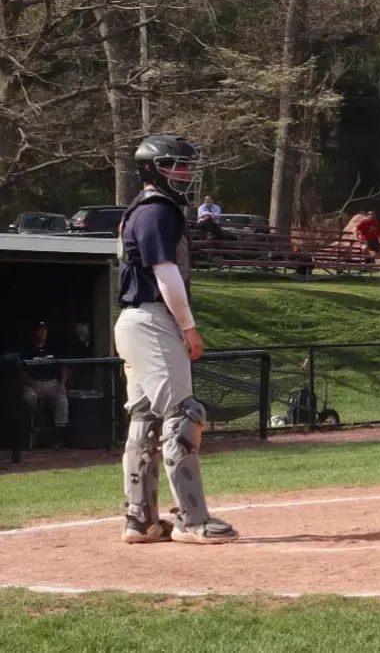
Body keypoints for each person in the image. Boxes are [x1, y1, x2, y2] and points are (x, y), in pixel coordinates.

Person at [116, 133, 237, 544]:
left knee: (145, 418)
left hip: (135, 321)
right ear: (152, 169)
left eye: (186, 166)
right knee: (184, 415)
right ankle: (192, 520)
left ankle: (141, 520)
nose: (185, 173)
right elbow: (165, 273)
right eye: (175, 165)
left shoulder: (141, 209)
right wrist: (188, 326)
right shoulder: (157, 210)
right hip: (154, 320)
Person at [20, 322, 69, 431]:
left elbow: (64, 368)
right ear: (35, 331)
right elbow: (21, 371)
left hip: (52, 383)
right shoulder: (28, 349)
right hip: (34, 384)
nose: (43, 332)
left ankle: (61, 432)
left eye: (45, 330)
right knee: (28, 398)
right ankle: (37, 421)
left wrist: (62, 384)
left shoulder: (53, 347)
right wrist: (31, 383)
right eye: (40, 329)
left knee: (62, 400)